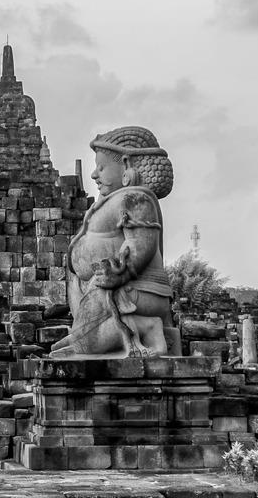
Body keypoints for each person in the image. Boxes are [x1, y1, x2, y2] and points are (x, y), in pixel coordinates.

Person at [51, 126, 176, 358]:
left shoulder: (136, 199)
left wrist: (121, 273)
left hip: (135, 290)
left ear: (126, 165)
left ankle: (148, 328)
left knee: (84, 344)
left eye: (101, 167)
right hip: (108, 293)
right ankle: (88, 334)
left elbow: (142, 245)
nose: (94, 175)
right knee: (73, 343)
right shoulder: (111, 201)